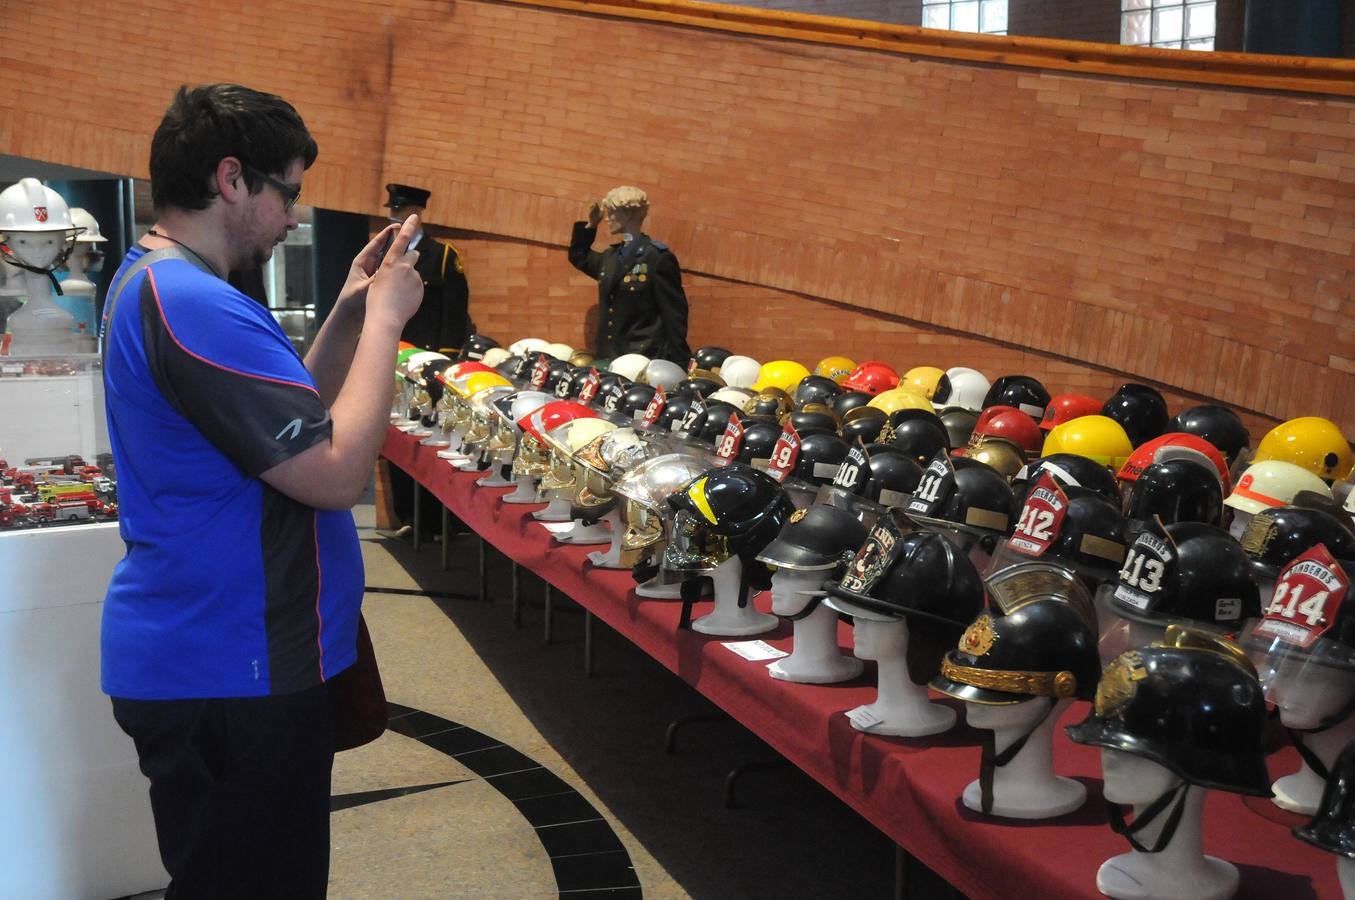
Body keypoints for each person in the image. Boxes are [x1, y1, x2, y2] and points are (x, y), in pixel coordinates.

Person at [99, 83, 423, 898]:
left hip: (224, 654)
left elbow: (285, 435)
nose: (292, 220)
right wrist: (387, 322)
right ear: (232, 178)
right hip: (230, 663)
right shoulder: (195, 303)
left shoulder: (163, 282)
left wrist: (349, 310)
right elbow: (336, 473)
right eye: (289, 195)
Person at [382, 183, 473, 539]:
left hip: (430, 362)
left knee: (434, 442)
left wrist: (445, 361)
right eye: (393, 209)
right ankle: (410, 518)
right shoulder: (385, 254)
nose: (395, 215)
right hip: (394, 360)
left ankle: (439, 523)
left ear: (417, 213)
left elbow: (454, 310)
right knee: (398, 440)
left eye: (401, 210)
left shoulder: (443, 255)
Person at [568, 185, 691, 364]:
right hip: (608, 358)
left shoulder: (656, 258)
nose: (607, 219)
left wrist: (678, 363)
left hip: (641, 360)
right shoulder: (610, 257)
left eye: (612, 213)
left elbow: (674, 315)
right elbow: (578, 256)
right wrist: (591, 226)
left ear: (627, 214)